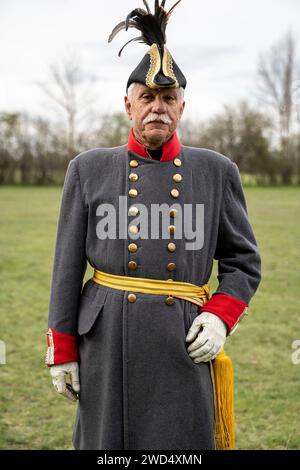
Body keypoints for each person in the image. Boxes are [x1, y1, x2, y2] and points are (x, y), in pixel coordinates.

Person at [45, 0, 261, 450]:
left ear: (182, 106)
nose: (157, 108)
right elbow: (66, 268)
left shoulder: (216, 171)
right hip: (105, 345)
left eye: (168, 98)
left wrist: (220, 317)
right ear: (128, 105)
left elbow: (243, 262)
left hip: (181, 341)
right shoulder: (87, 169)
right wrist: (62, 349)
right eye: (147, 97)